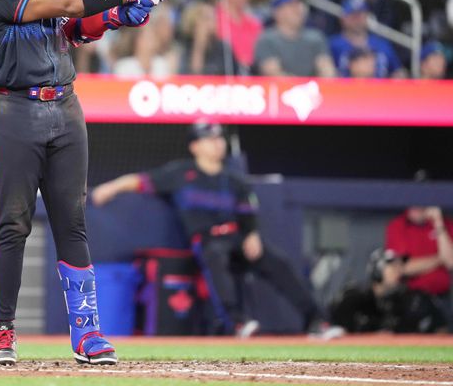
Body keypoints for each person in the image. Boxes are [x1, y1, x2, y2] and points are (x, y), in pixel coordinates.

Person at [0, 0, 169, 365]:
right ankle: (3, 331)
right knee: (12, 223)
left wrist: (118, 17)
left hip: (65, 106)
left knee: (72, 222)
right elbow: (67, 3)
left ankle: (88, 333)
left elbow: (71, 25)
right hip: (12, 111)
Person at [91, 121, 334, 337]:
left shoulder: (234, 178)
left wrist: (252, 235)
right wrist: (111, 188)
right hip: (206, 241)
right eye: (210, 139)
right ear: (195, 146)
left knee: (278, 262)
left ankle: (316, 320)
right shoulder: (180, 173)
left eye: (219, 138)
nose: (217, 144)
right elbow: (139, 181)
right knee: (215, 257)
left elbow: (248, 213)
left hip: (237, 238)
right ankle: (237, 323)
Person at [329, 248, 447, 333]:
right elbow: (335, 330)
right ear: (377, 271)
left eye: (399, 266)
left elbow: (440, 327)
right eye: (392, 266)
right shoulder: (353, 297)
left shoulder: (407, 299)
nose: (398, 270)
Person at [385, 206, 453, 327]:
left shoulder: (445, 223)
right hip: (410, 299)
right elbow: (402, 267)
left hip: (442, 298)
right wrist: (439, 258)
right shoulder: (398, 225)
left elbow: (450, 261)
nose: (417, 207)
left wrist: (438, 223)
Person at [253, 0, 336, 78]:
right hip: (282, 90)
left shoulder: (316, 37)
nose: (298, 9)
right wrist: (301, 88)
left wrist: (325, 81)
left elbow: (327, 68)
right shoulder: (267, 39)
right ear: (277, 12)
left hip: (312, 89)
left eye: (300, 4)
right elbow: (273, 73)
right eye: (291, 6)